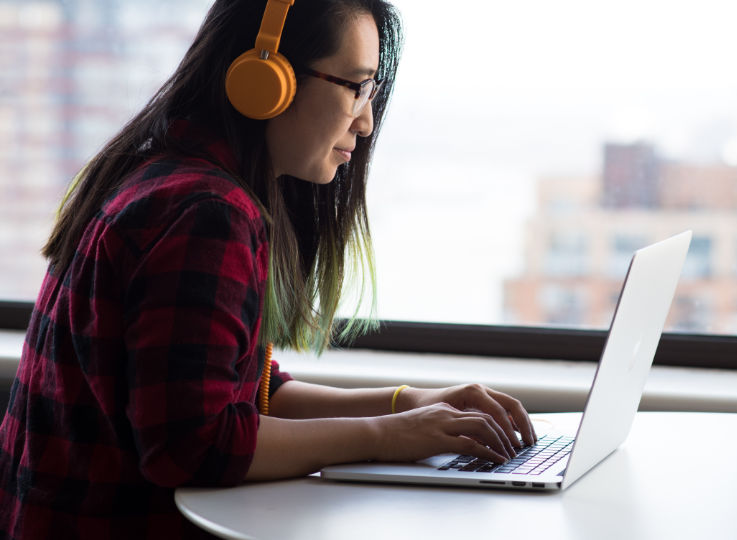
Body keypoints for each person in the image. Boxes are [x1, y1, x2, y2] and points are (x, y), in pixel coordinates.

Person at [0, 0, 536, 537]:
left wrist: (409, 403)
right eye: (356, 86)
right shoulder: (206, 212)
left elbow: (246, 388)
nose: (367, 120)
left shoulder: (168, 176)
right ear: (266, 79)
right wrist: (390, 434)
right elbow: (194, 445)